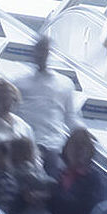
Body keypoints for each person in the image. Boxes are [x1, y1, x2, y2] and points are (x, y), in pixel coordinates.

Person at [12, 36, 79, 169]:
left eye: (45, 51)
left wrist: (81, 131)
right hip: (25, 146)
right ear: (33, 53)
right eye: (39, 50)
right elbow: (11, 115)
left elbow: (70, 117)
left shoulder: (65, 83)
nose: (42, 55)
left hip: (53, 146)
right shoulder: (19, 83)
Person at [47, 128, 107, 214]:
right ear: (67, 148)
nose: (79, 151)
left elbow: (82, 210)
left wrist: (49, 197)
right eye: (75, 146)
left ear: (90, 152)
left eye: (83, 147)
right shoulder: (60, 171)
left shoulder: (95, 179)